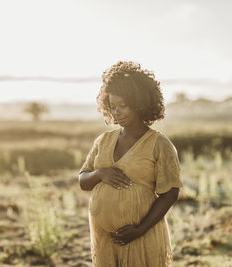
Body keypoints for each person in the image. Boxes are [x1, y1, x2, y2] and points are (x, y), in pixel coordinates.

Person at [78, 61, 183, 266]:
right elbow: (83, 180)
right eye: (112, 106)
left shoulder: (159, 144)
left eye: (122, 105)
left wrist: (140, 229)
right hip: (105, 240)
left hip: (141, 237)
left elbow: (170, 193)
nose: (116, 112)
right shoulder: (104, 140)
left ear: (140, 102)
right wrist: (100, 174)